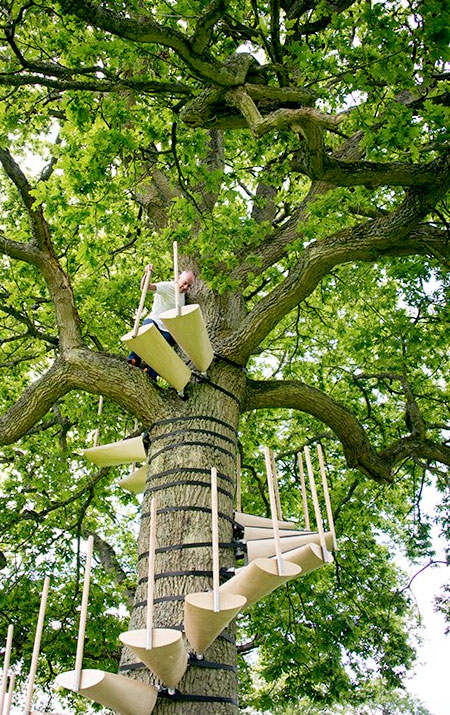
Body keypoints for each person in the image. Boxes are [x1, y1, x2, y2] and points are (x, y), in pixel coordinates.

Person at [127, 263, 196, 379]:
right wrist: (146, 274)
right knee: (144, 334)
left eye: (189, 286)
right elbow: (145, 287)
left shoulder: (183, 297)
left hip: (168, 329)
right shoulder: (167, 286)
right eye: (184, 283)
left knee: (162, 351)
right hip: (154, 321)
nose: (185, 287)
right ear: (178, 278)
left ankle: (151, 372)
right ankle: (134, 358)